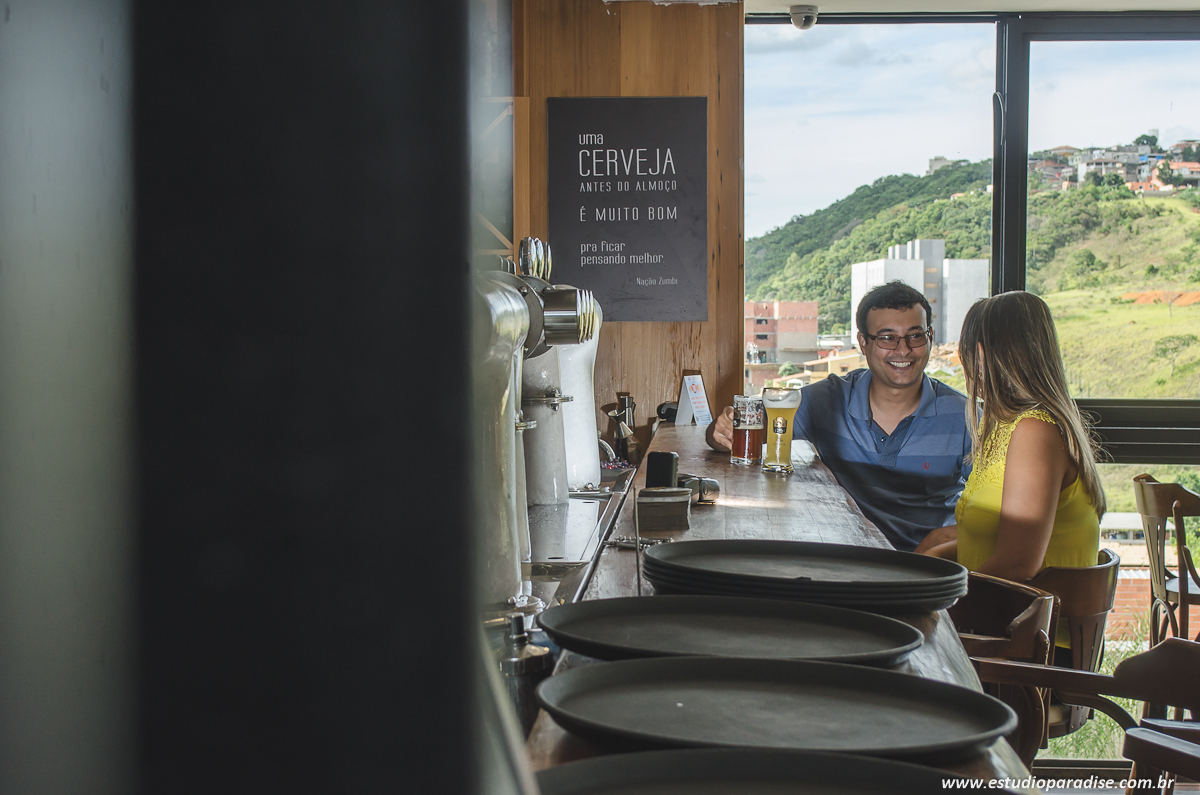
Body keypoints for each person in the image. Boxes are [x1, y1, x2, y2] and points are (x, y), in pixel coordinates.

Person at [708, 282, 971, 552]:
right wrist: (722, 430)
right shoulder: (828, 399)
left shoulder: (965, 416)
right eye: (887, 338)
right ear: (863, 343)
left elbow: (1001, 513)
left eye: (915, 336)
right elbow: (741, 432)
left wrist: (939, 543)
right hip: (845, 562)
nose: (903, 350)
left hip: (930, 572)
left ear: (930, 336)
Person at [917, 291, 1103, 584]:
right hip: (995, 611)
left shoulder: (1035, 431)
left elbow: (1017, 565)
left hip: (1018, 623)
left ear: (979, 353)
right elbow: (996, 543)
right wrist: (937, 553)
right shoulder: (1004, 425)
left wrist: (936, 595)